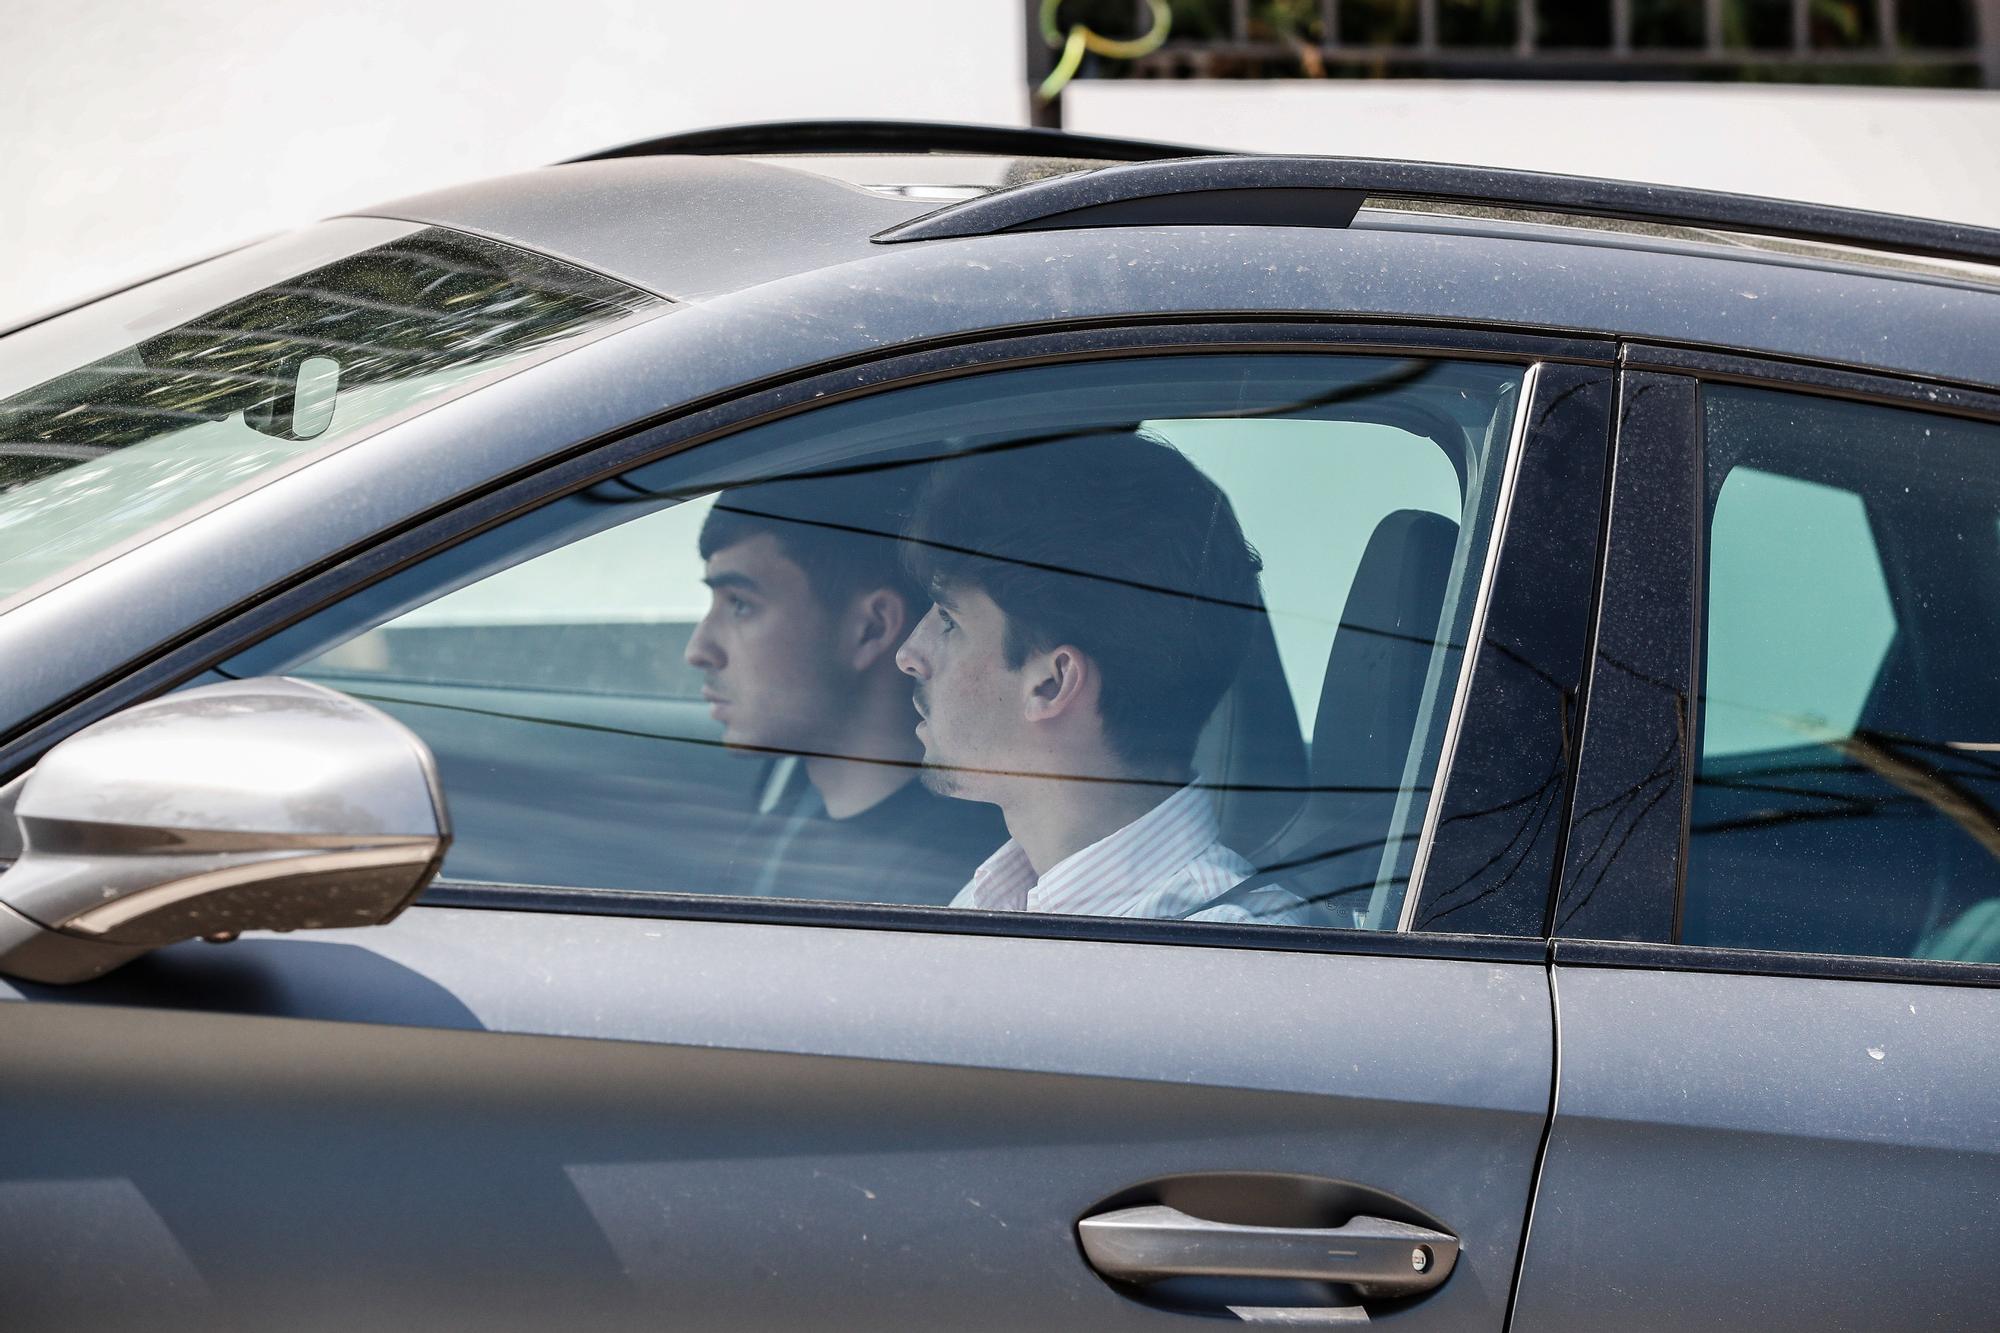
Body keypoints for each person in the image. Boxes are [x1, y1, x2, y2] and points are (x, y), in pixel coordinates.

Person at [893, 430, 1306, 924]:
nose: (909, 655)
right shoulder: (992, 900)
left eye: (948, 619)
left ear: (1052, 682)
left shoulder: (1230, 957)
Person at [685, 468, 1005, 905]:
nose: (698, 650)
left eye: (740, 604)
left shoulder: (945, 888)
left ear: (870, 629)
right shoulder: (795, 797)